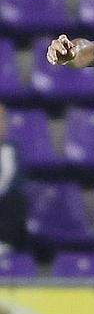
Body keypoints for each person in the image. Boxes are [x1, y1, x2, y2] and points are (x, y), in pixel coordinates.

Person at [0, 104, 26, 253]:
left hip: (6, 205)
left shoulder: (11, 149)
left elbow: (12, 181)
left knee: (14, 200)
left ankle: (5, 242)